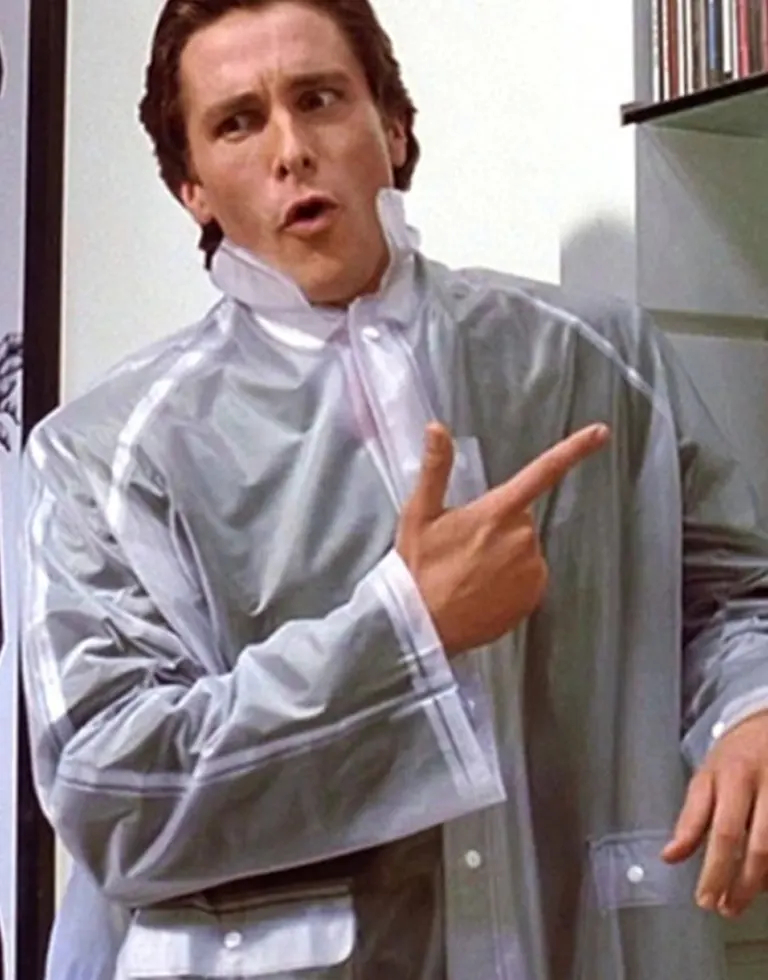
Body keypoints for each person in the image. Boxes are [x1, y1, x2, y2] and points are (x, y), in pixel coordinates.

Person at [21, 1, 768, 978]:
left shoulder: (593, 359)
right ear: (190, 186)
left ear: (394, 125)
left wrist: (751, 706)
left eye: (320, 99)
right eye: (238, 122)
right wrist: (404, 632)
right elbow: (113, 792)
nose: (291, 150)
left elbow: (730, 596)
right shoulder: (102, 456)